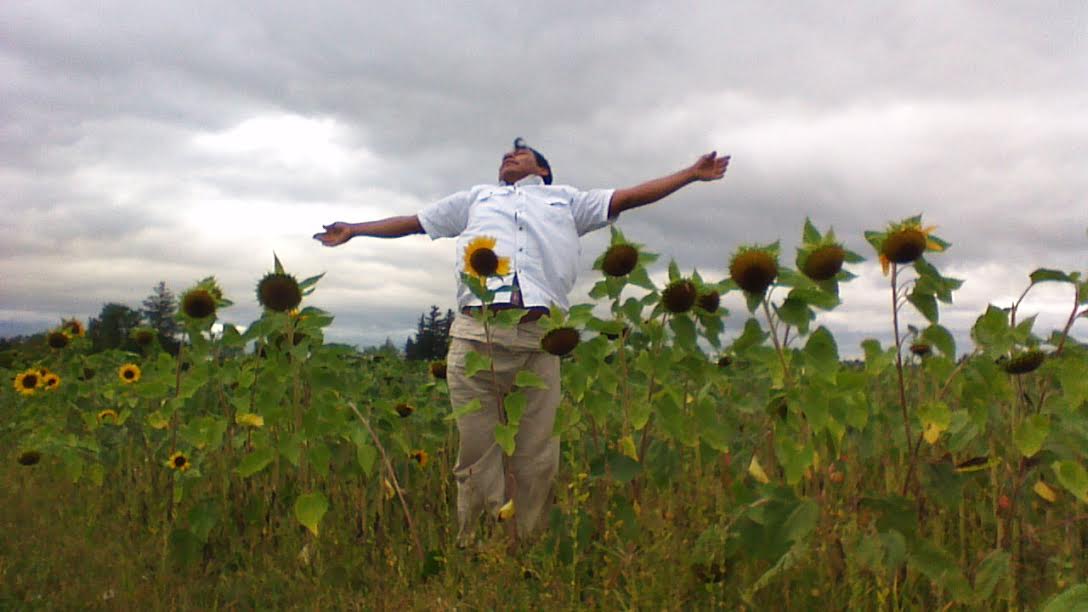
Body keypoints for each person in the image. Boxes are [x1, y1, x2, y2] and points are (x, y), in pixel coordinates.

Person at [314, 139, 729, 545]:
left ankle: (525, 546)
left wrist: (691, 174)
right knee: (477, 455)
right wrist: (356, 230)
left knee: (536, 457)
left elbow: (629, 197)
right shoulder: (477, 199)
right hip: (477, 336)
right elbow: (414, 222)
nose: (509, 156)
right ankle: (477, 547)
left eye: (521, 153)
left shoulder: (566, 201)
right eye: (505, 155)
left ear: (543, 171)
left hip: (539, 341)